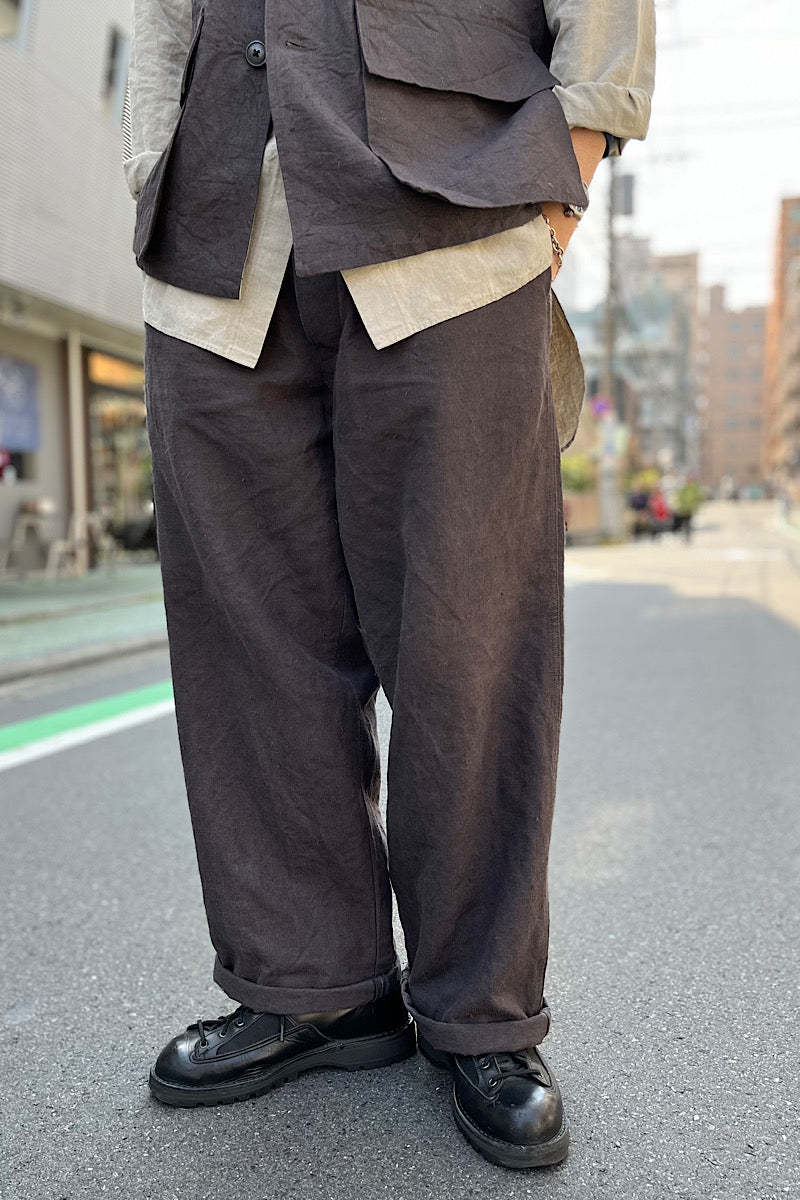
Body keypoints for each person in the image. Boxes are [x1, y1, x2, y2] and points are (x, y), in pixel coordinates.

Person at [125, 0, 655, 1169]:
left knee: (466, 644)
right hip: (220, 235)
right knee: (248, 651)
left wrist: (566, 164)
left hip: (456, 213)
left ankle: (479, 1012)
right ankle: (313, 987)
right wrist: (147, 161)